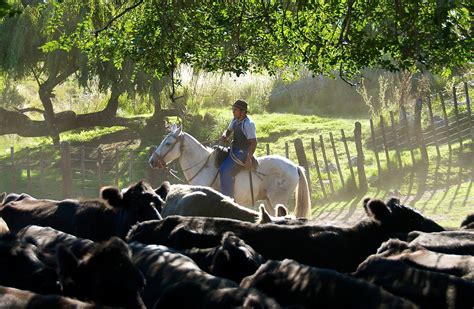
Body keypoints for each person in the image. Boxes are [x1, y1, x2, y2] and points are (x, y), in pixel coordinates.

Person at [219, 99, 257, 198]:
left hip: (243, 153)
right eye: (233, 109)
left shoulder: (248, 124)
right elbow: (228, 131)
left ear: (243, 111)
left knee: (224, 170)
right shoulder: (235, 120)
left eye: (235, 110)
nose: (233, 111)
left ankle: (228, 199)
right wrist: (224, 135)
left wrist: (248, 158)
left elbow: (253, 143)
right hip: (234, 149)